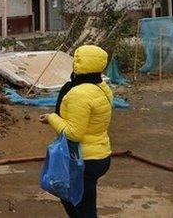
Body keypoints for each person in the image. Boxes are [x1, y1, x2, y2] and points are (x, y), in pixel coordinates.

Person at [39, 45, 113, 218]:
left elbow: (74, 133)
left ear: (78, 64)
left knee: (81, 207)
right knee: (79, 200)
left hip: (83, 160)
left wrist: (52, 118)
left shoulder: (78, 93)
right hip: (101, 154)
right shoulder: (103, 87)